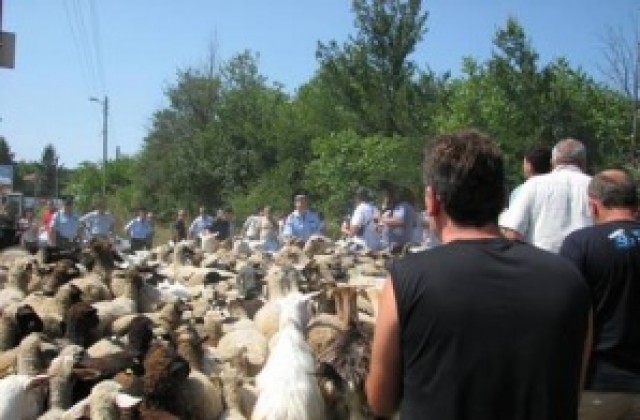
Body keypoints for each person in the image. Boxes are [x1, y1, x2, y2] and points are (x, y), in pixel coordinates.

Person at [366, 129, 592, 420]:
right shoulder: (569, 280)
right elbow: (573, 389)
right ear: (501, 200)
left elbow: (380, 401)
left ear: (433, 201)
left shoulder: (405, 279)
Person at [559, 170, 640, 417]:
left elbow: (571, 316)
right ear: (636, 204)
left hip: (600, 385)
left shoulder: (580, 244)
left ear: (594, 206)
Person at [500, 138, 592, 253]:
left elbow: (512, 233)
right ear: (583, 162)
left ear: (553, 162)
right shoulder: (594, 186)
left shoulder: (533, 185)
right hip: (585, 265)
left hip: (541, 264)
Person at [341, 187, 381, 251]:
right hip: (376, 245)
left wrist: (344, 229)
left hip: (362, 246)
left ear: (358, 197)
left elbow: (353, 231)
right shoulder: (375, 209)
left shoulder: (360, 209)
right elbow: (379, 229)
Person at [377, 185, 415, 252]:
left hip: (397, 246)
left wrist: (381, 218)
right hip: (395, 245)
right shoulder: (406, 206)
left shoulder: (403, 206)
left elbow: (399, 221)